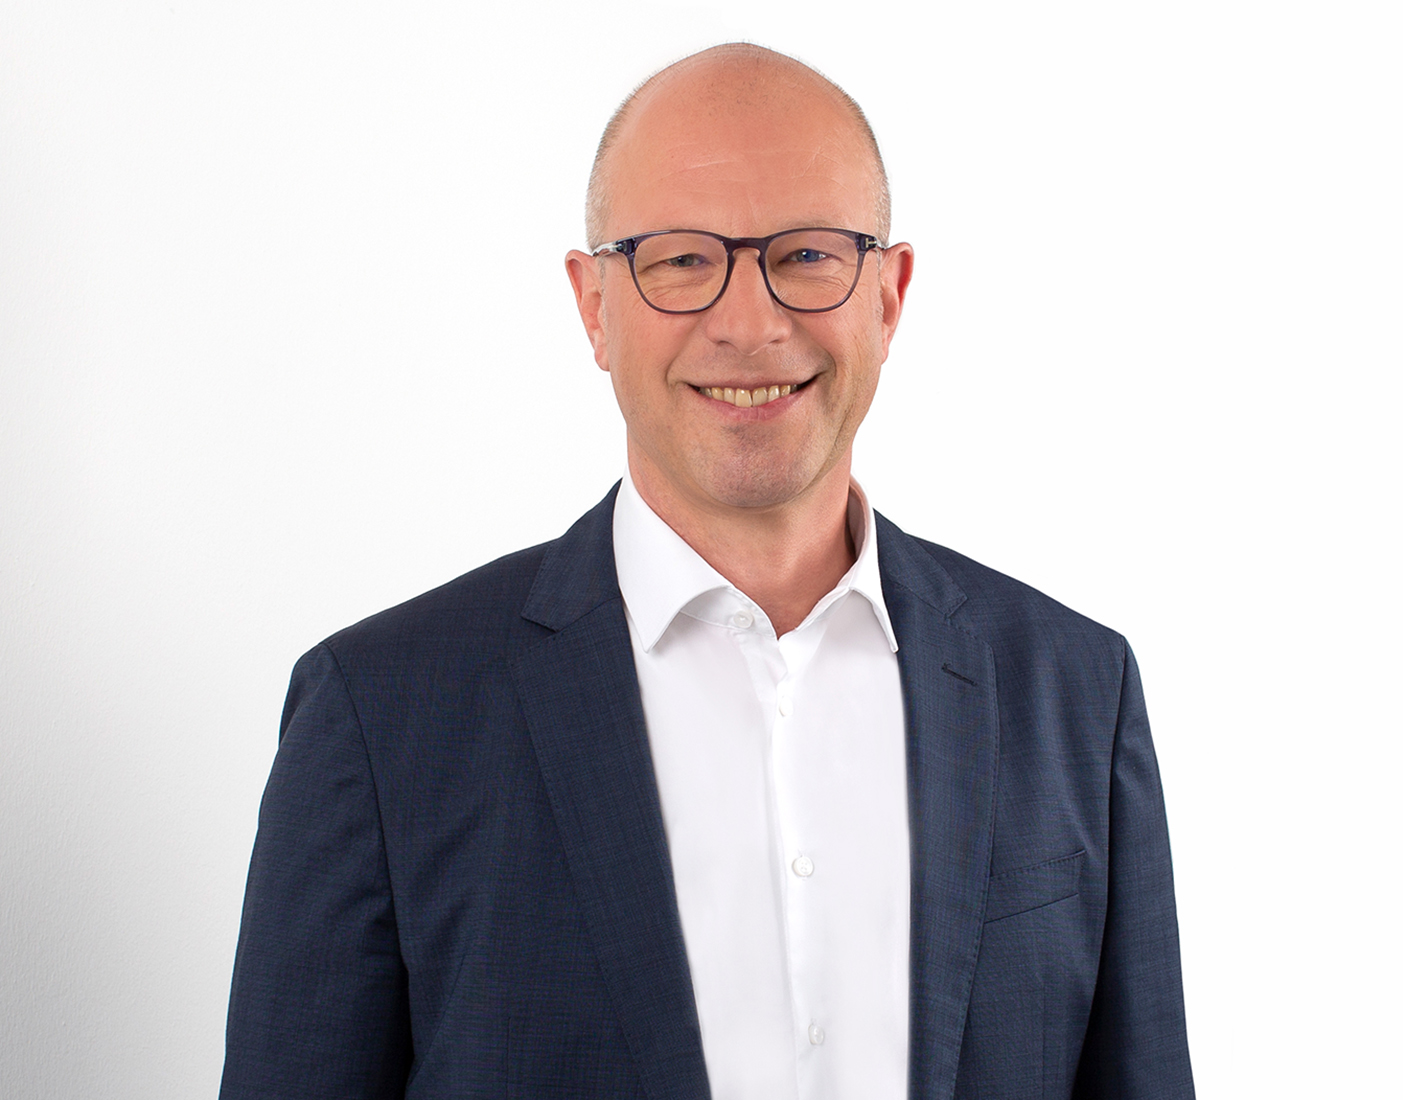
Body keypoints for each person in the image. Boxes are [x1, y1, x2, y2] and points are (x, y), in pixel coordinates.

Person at [220, 43, 1194, 1100]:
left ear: (888, 296)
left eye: (808, 254)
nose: (748, 322)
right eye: (680, 260)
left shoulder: (1074, 690)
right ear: (593, 306)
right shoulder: (380, 716)